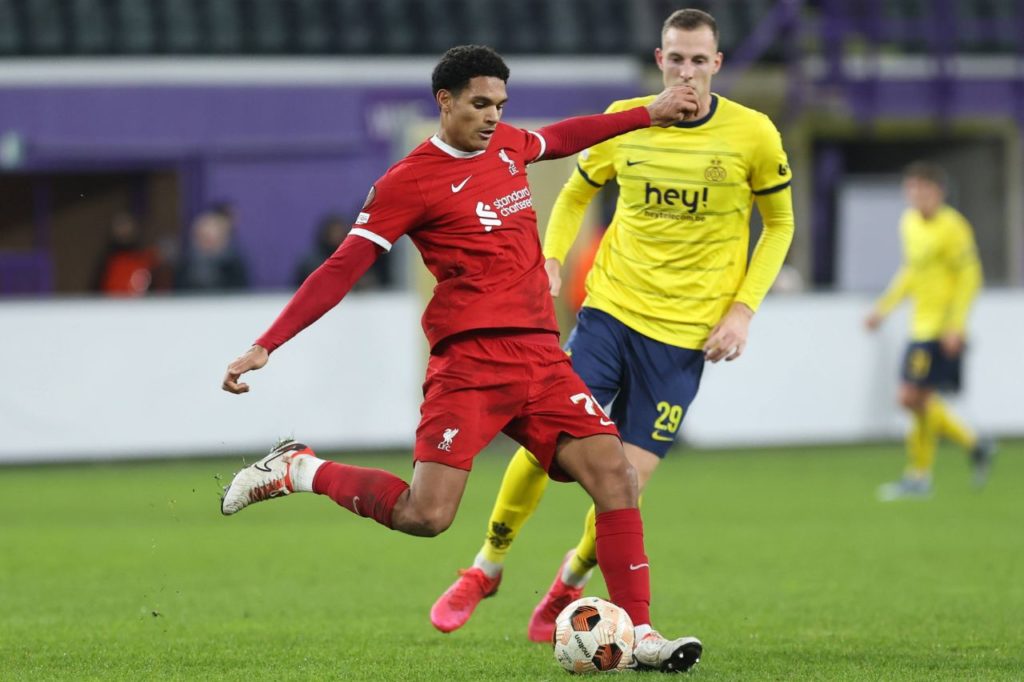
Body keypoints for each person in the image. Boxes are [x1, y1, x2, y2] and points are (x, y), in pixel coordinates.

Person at [220, 45, 705, 672]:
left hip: (538, 354)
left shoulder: (507, 146)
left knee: (616, 476)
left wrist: (651, 111)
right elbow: (342, 267)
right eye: (480, 104)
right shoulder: (407, 182)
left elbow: (563, 137)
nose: (492, 117)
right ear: (443, 101)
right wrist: (267, 343)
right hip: (469, 365)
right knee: (426, 516)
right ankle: (299, 469)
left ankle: (639, 633)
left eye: (500, 105)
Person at [430, 9, 796, 643]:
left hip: (685, 338)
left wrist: (742, 309)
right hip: (609, 312)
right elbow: (575, 192)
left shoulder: (753, 135)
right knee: (544, 445)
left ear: (717, 64)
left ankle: (566, 585)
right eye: (675, 59)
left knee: (624, 481)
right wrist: (549, 256)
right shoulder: (628, 119)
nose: (686, 72)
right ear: (659, 61)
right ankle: (486, 567)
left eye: (698, 60)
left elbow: (780, 224)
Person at [866, 161, 993, 501]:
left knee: (910, 397)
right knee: (919, 400)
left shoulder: (954, 228)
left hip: (939, 329)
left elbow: (970, 278)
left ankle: (925, 472)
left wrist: (957, 325)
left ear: (938, 192)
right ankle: (967, 449)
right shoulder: (908, 223)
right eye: (912, 190)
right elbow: (911, 272)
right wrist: (883, 308)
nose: (917, 196)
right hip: (919, 325)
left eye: (923, 190)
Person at [175, 209, 249, 291]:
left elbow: (241, 293)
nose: (208, 243)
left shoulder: (234, 264)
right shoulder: (186, 263)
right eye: (203, 237)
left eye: (212, 239)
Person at [93, 212, 158, 296]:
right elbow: (96, 289)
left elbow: (152, 290)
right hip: (112, 305)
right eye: (120, 227)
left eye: (127, 227)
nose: (124, 231)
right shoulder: (108, 260)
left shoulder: (143, 259)